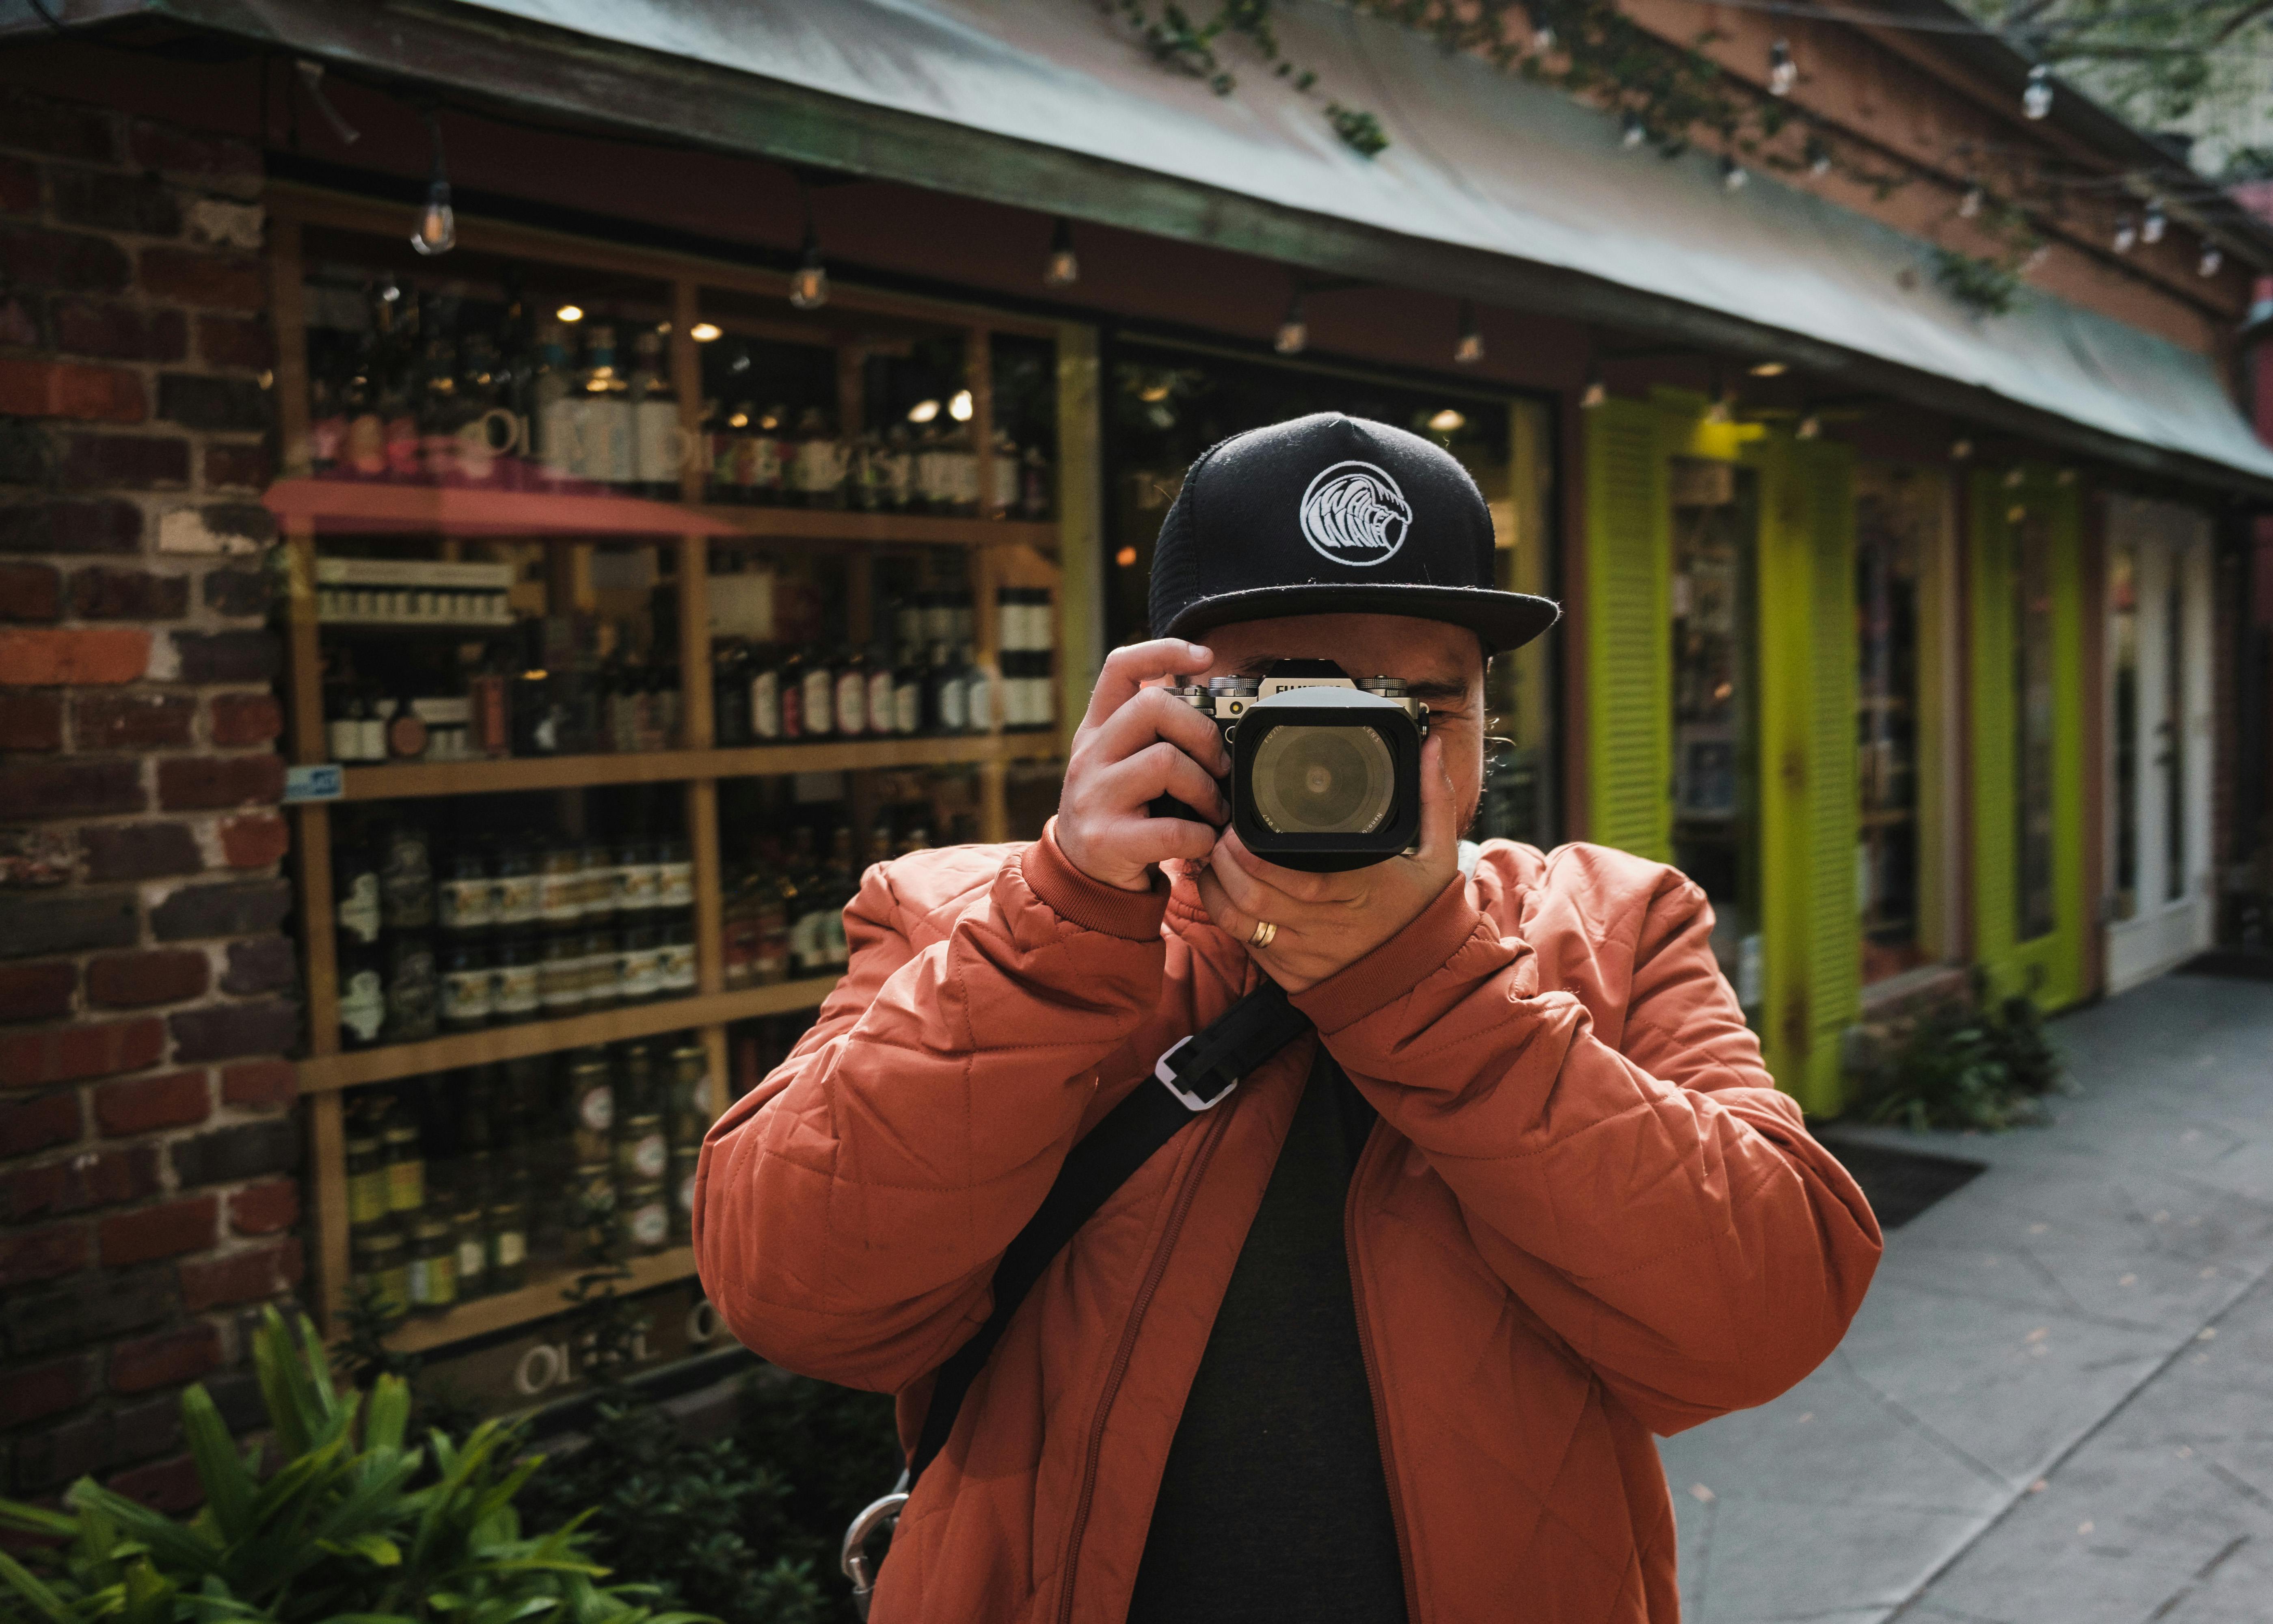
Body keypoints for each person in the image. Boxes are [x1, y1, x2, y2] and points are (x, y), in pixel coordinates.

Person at [696, 412, 1882, 1624]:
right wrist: (1060, 924)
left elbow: (1763, 1322)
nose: (1340, 757)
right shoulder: (966, 921)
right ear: (1155, 707)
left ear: (1484, 735)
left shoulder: (1616, 928)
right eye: (1282, 704)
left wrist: (1437, 988)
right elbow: (797, 1296)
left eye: (1415, 708)